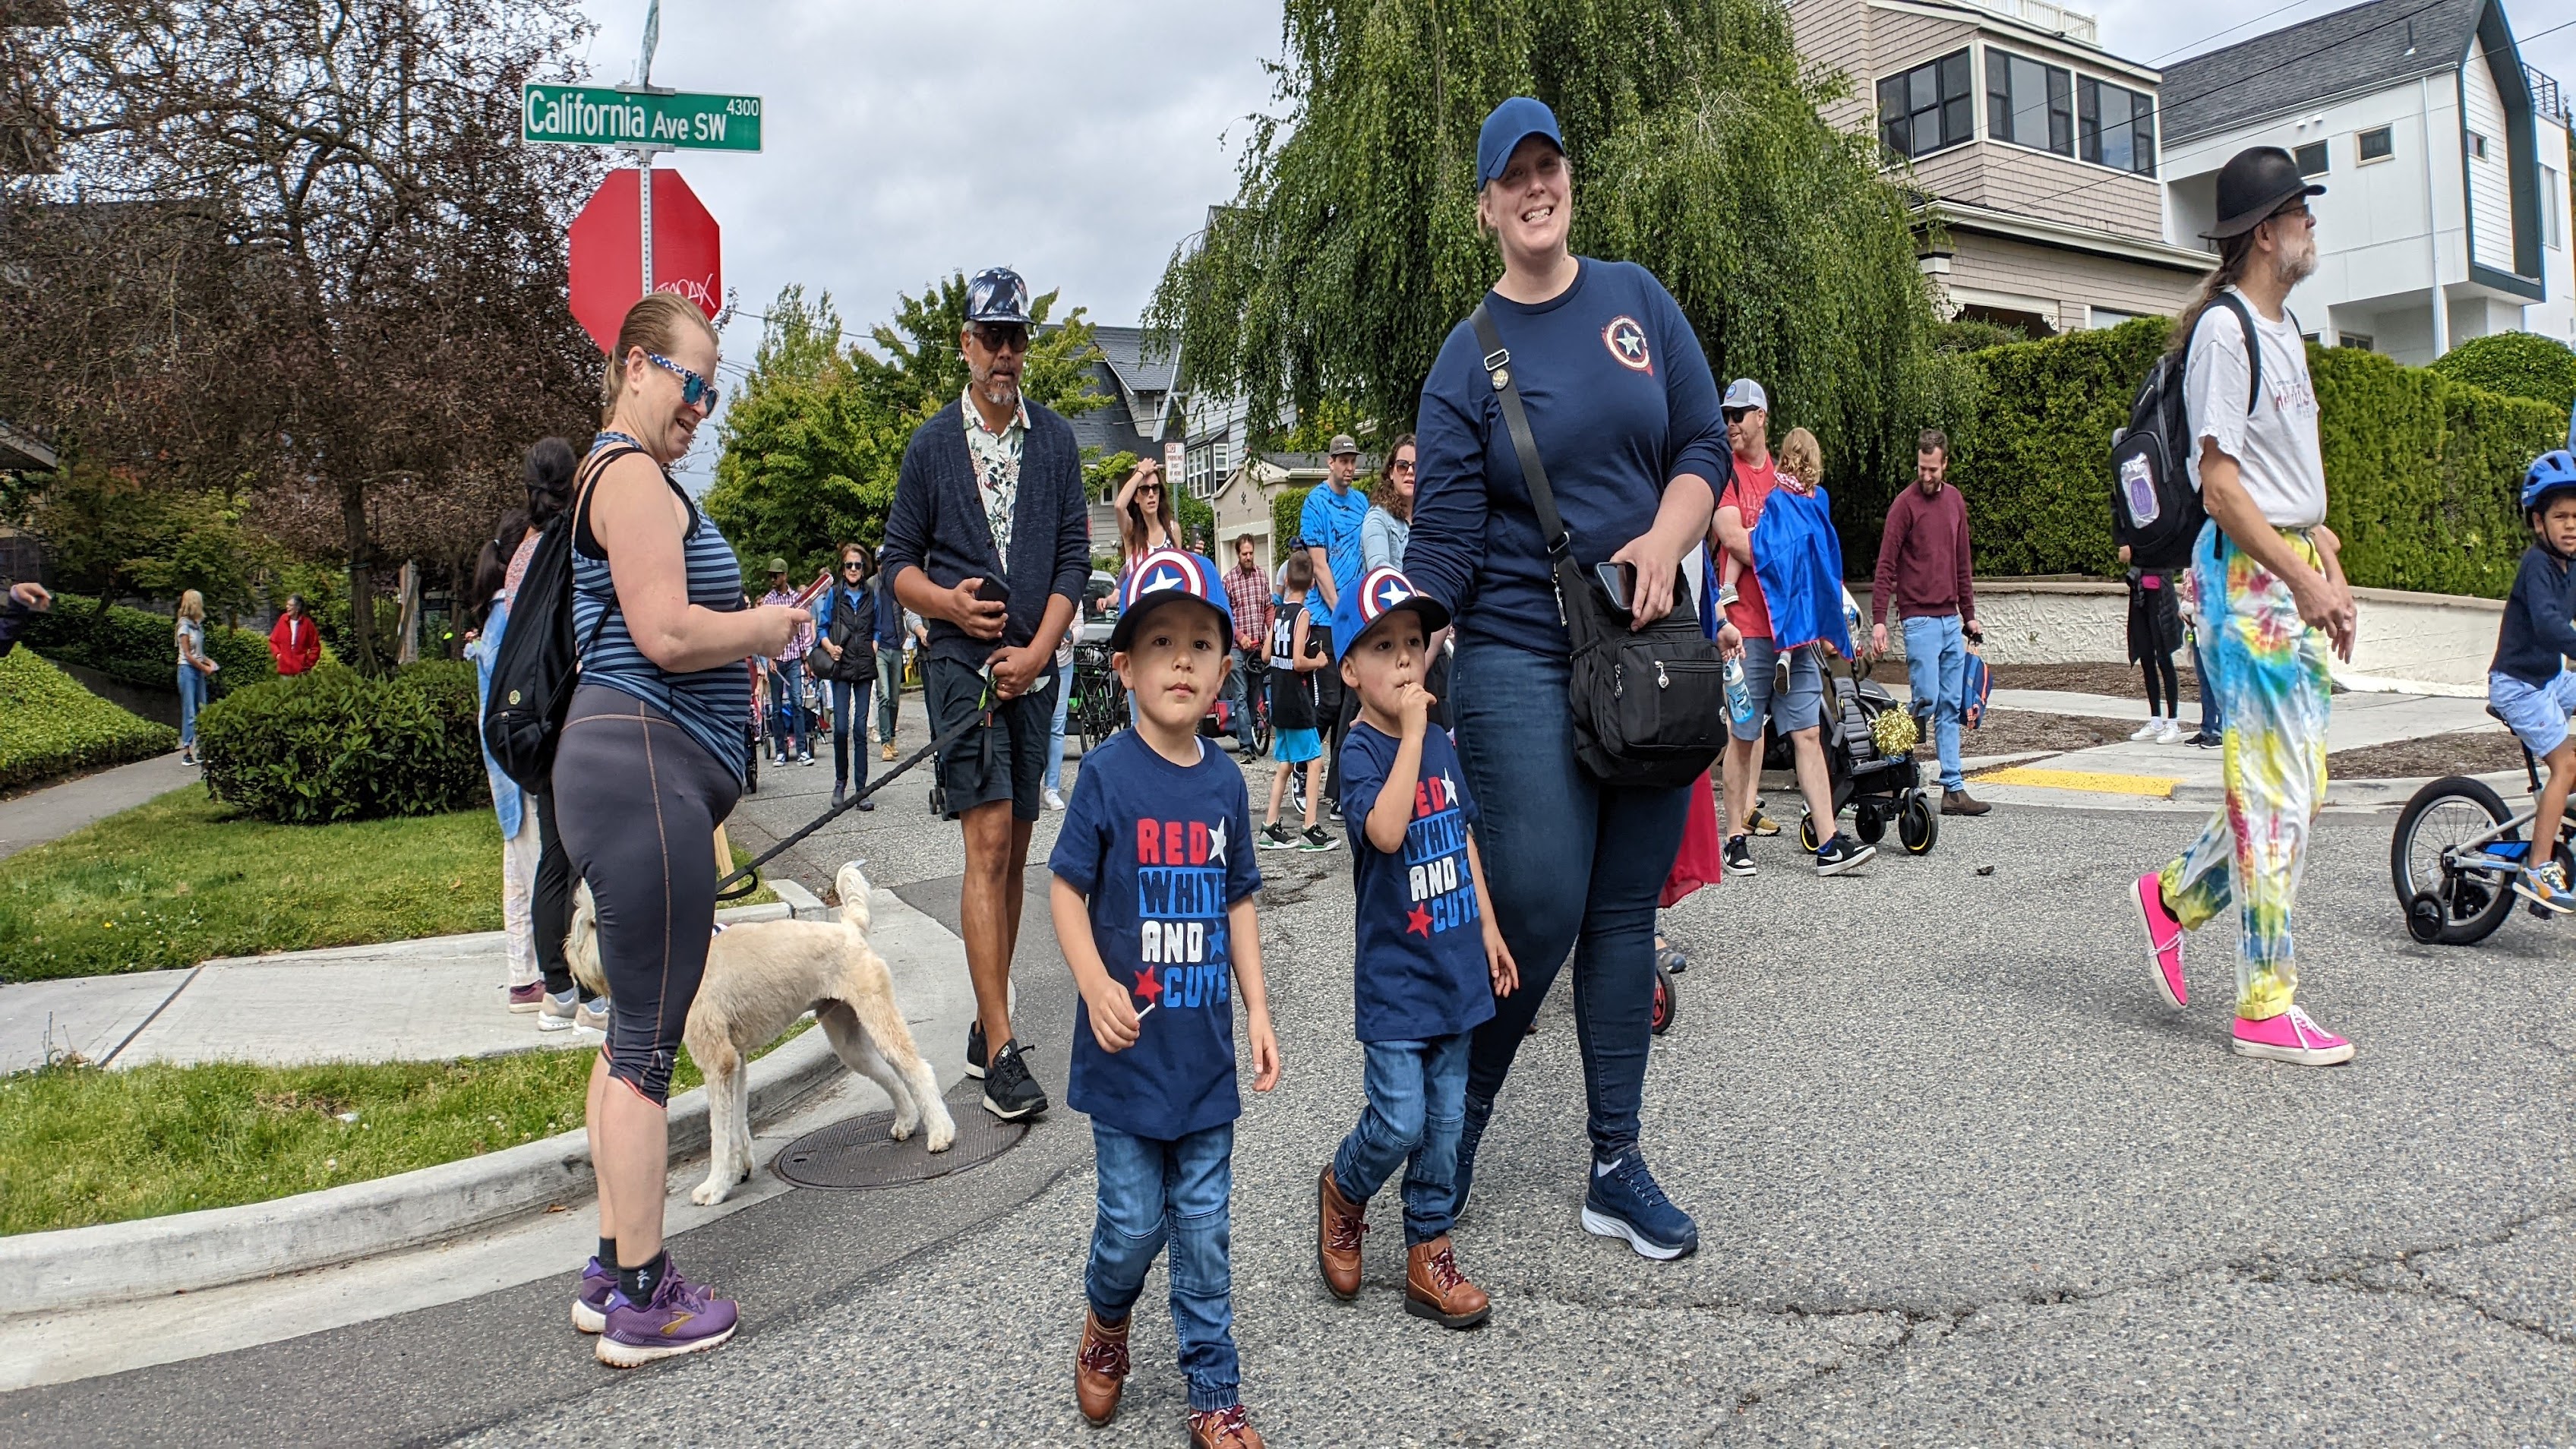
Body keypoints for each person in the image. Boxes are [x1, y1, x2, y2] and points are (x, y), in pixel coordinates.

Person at [1406, 96, 1728, 1260]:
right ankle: (1454, 1130)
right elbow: (1438, 546)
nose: (1536, 188)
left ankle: (1614, 1163)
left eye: (1550, 166)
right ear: (1487, 205)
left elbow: (1701, 448)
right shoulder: (1465, 356)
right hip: (1519, 654)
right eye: (1513, 176)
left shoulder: (1638, 300)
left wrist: (1668, 537)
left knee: (1624, 916)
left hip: (1644, 651)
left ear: (1567, 179)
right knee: (1537, 902)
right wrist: (1396, 641)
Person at [554, 292, 807, 1365]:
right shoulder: (631, 476)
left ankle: (612, 1266)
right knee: (651, 1045)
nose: (700, 406)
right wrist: (769, 627)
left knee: (626, 1041)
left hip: (629, 771)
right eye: (688, 381)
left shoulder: (608, 475)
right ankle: (647, 1299)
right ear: (633, 367)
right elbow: (662, 630)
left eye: (713, 389)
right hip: (644, 767)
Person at [2129, 145, 2358, 1069]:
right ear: (2265, 233)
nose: (2311, 224)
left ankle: (2172, 899)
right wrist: (2300, 579)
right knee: (2272, 796)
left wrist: (2326, 565)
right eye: (2301, 211)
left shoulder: (2283, 330)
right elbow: (2219, 486)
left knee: (2297, 791)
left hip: (2289, 566)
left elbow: (2288, 480)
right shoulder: (2223, 334)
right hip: (2247, 581)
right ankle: (2265, 1003)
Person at [1050, 549, 1278, 1449]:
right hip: (1123, 1063)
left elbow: (1237, 900)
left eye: (1199, 643)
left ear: (1225, 666)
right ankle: (1107, 1320)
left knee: (1205, 1233)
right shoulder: (1106, 776)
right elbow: (1065, 890)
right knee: (1131, 1227)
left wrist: (1257, 1008)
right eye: (1159, 643)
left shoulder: (1224, 782)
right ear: (1125, 668)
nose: (1180, 661)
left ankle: (1213, 1388)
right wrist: (1093, 981)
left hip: (1201, 1064)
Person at [884, 265, 1091, 1122]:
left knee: (1018, 844)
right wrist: (947, 606)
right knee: (989, 841)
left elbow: (1075, 556)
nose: (1003, 353)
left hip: (1035, 670)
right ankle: (1000, 1049)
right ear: (965, 345)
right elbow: (897, 564)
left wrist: (1038, 648)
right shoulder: (932, 446)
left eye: (1015, 338)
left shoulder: (1055, 443)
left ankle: (987, 1012)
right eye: (990, 337)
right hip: (961, 671)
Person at [1315, 564, 1516, 1328]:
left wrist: (1490, 929)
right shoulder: (1366, 752)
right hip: (1398, 980)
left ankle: (1427, 1251)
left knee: (1443, 1123)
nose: (1404, 660)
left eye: (1413, 642)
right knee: (1397, 1121)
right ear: (1349, 669)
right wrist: (1410, 733)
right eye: (1383, 647)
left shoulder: (1437, 743)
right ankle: (1344, 1185)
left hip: (1456, 964)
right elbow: (1389, 830)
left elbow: (1457, 837)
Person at [1714, 400, 1867, 877]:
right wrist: (1784, 553)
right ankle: (1735, 838)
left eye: (1741, 413)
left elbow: (1817, 551)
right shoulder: (1728, 476)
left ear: (1762, 417)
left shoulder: (1792, 487)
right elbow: (1734, 538)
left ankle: (1828, 843)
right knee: (1744, 735)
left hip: (1793, 633)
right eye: (1727, 415)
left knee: (1807, 732)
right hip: (1749, 630)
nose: (1732, 423)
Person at [1870, 430, 1990, 816]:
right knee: (1927, 700)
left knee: (1952, 704)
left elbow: (1962, 563)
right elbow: (1886, 565)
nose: (1927, 475)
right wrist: (1879, 620)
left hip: (1950, 620)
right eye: (1922, 468)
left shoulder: (1954, 501)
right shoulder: (1904, 506)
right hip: (1918, 619)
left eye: (1933, 469)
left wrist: (1969, 616)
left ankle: (1953, 788)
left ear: (1945, 464)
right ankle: (1890, 767)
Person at [2489, 450, 2576, 912]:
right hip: (2518, 684)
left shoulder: (2572, 566)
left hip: (2548, 679)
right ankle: (2540, 866)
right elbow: (2547, 624)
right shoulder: (2537, 565)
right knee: (2565, 766)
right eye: (2560, 516)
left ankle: (2565, 819)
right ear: (2539, 522)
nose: (2571, 525)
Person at [1302, 434, 1372, 812]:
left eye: (1352, 460)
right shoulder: (1316, 502)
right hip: (1324, 618)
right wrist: (1340, 610)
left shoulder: (1362, 503)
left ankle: (1339, 790)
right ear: (1330, 462)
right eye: (1343, 460)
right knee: (1329, 702)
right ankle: (1302, 758)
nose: (1349, 467)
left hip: (1355, 616)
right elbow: (1318, 563)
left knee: (1351, 705)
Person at [1258, 553, 1332, 851]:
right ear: (1313, 584)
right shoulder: (1302, 615)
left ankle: (1270, 826)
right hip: (1298, 699)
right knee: (1314, 761)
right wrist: (1320, 661)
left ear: (1286, 580)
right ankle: (1310, 828)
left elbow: (1265, 656)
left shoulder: (1278, 615)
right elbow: (1300, 661)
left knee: (1286, 763)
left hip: (1278, 696)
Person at [813, 543, 879, 810]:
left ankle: (861, 790)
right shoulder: (835, 594)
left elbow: (878, 627)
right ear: (843, 568)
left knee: (859, 730)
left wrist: (874, 647)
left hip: (864, 666)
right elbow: (822, 627)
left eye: (858, 565)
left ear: (864, 569)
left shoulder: (871, 594)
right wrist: (829, 647)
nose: (854, 569)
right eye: (850, 565)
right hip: (840, 667)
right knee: (840, 728)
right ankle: (841, 781)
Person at [2120, 543, 2186, 743]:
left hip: (2161, 598)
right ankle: (2156, 720)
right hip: (2141, 597)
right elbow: (2124, 554)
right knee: (2147, 658)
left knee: (2164, 658)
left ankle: (2173, 722)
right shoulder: (2137, 533)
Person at [1220, 534, 1273, 761]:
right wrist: (1239, 636)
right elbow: (1225, 615)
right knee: (1240, 695)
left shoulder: (1262, 576)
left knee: (1254, 696)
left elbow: (1268, 606)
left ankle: (1249, 734)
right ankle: (1245, 747)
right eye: (1245, 554)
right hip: (1237, 647)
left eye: (1251, 553)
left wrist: (1271, 632)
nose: (1249, 557)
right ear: (1238, 554)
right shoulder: (1229, 580)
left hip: (1258, 647)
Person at [757, 559, 814, 766]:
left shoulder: (797, 599)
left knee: (798, 703)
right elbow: (765, 632)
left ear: (785, 576)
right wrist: (769, 658)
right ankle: (781, 750)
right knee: (777, 707)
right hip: (776, 658)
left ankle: (802, 750)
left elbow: (800, 632)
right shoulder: (768, 601)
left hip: (793, 659)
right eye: (771, 575)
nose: (773, 579)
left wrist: (805, 659)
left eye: (776, 575)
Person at [173, 589, 216, 765]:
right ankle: (187, 750)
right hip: (187, 670)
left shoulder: (197, 625)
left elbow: (199, 653)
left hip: (197, 670)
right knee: (190, 711)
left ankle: (202, 749)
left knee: (202, 709)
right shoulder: (184, 626)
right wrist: (204, 668)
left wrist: (210, 662)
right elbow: (188, 655)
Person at [1115, 459, 1179, 574]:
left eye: (1155, 488)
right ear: (1136, 497)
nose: (1151, 495)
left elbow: (1180, 570)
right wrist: (1141, 472)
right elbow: (1119, 506)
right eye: (1144, 489)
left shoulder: (1173, 529)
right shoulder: (1131, 531)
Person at [267, 595, 320, 677]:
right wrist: (278, 654)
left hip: (301, 672)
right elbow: (273, 641)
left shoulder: (307, 624)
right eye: (287, 605)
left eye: (291, 605)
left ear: (298, 608)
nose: (287, 607)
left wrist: (308, 665)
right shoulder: (283, 620)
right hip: (284, 671)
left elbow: (315, 647)